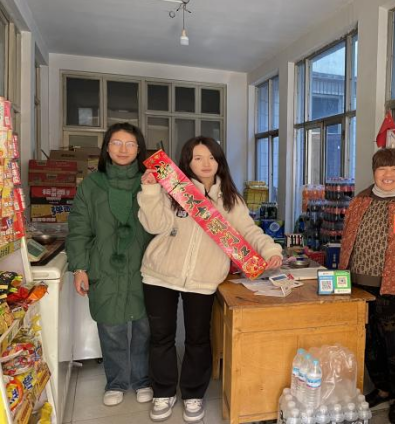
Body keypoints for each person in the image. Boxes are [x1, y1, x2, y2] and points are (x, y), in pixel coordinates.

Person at [138, 136, 283, 422]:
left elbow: (248, 231)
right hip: (159, 275)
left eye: (212, 157)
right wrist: (151, 189)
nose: (206, 164)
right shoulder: (173, 190)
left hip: (204, 278)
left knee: (198, 338)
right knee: (161, 337)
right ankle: (163, 392)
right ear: (187, 162)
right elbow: (154, 225)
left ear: (219, 162)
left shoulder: (230, 198)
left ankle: (193, 394)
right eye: (198, 158)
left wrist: (270, 250)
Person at [339, 148, 395, 424]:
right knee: (369, 342)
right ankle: (381, 388)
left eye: (394, 169)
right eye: (382, 169)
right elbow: (347, 239)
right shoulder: (360, 201)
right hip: (358, 285)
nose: (388, 175)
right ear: (374, 172)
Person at [66, 122, 153, 406]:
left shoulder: (150, 182)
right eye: (116, 143)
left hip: (145, 267)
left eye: (130, 144)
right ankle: (116, 382)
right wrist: (80, 267)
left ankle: (142, 380)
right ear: (107, 148)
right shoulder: (92, 185)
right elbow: (79, 228)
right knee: (111, 327)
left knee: (144, 326)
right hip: (104, 266)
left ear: (139, 149)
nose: (123, 149)